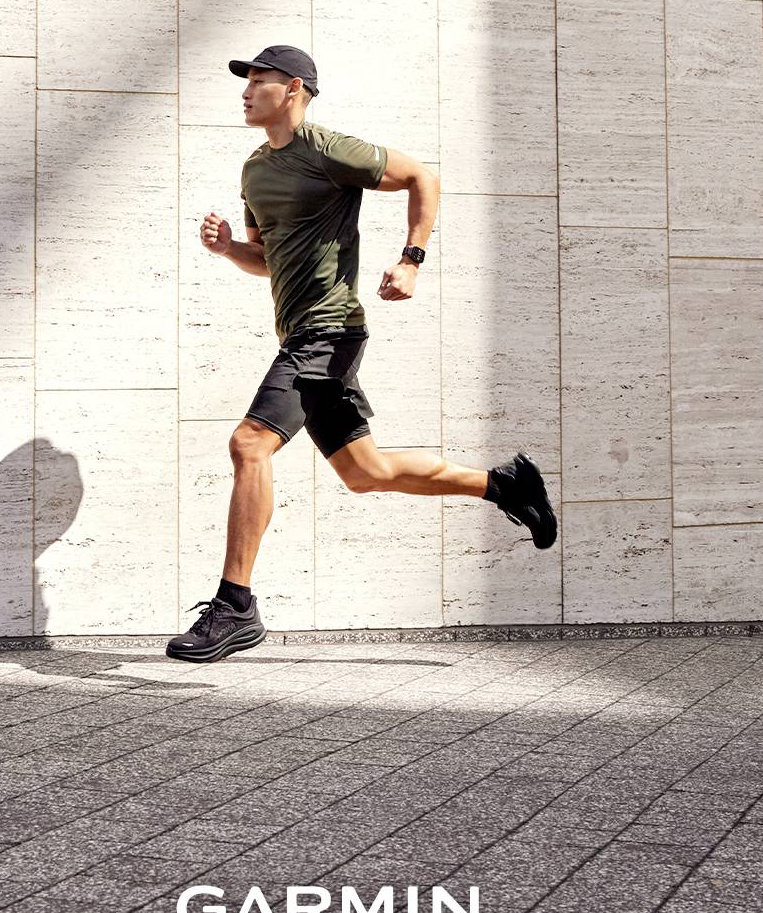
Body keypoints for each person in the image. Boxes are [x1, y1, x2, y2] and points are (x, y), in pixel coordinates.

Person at [166, 45, 556, 662]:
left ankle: (235, 605)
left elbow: (421, 177)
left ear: (293, 88)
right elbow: (263, 259)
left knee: (249, 444)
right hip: (302, 333)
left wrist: (412, 259)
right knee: (364, 474)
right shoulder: (253, 171)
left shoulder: (327, 150)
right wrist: (224, 252)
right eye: (245, 83)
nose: (246, 91)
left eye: (258, 81)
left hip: (328, 330)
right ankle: (504, 486)